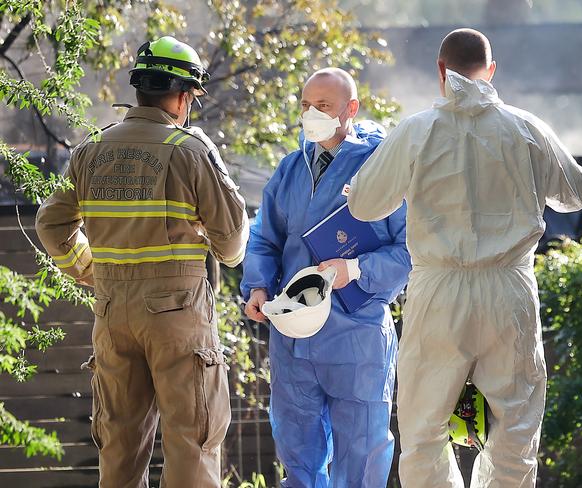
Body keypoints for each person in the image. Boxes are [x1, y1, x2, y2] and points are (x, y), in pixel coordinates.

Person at [348, 28, 582, 488]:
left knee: (423, 432)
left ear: (440, 71)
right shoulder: (527, 128)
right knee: (516, 430)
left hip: (439, 290)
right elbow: (576, 194)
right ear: (492, 72)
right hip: (509, 291)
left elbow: (363, 204)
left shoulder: (417, 130)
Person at [35, 36, 249, 488]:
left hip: (112, 315)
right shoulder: (190, 150)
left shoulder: (92, 149)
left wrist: (92, 271)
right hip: (177, 319)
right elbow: (231, 247)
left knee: (119, 448)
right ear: (182, 94)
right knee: (192, 443)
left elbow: (52, 226)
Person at [241, 68, 411, 488]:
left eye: (324, 106)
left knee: (361, 456)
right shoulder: (290, 169)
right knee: (298, 455)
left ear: (351, 109)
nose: (311, 114)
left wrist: (354, 270)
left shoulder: (381, 168)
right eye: (305, 105)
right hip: (294, 335)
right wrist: (259, 286)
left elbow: (413, 251)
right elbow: (264, 237)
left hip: (357, 335)